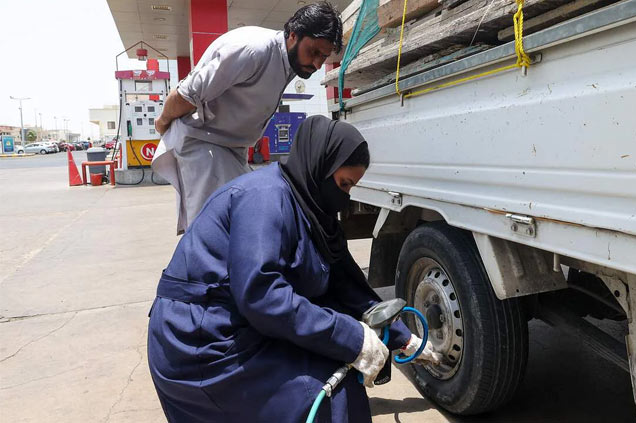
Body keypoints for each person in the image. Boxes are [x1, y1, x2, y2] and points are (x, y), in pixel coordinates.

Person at [147, 116, 442, 422]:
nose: (344, 197)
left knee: (336, 369)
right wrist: (351, 338)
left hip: (240, 325)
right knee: (328, 392)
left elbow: (345, 286)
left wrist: (401, 337)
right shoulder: (265, 199)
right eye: (343, 183)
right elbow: (262, 294)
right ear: (321, 165)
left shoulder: (314, 212)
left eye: (351, 187)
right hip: (200, 341)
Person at [152, 2, 343, 234]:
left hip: (232, 148)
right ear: (293, 35)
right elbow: (186, 94)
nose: (317, 64)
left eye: (323, 57)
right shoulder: (252, 51)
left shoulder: (291, 61)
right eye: (313, 52)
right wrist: (162, 123)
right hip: (203, 143)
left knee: (247, 220)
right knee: (212, 231)